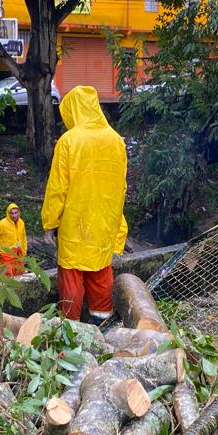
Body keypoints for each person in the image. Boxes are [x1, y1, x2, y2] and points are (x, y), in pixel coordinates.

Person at [41, 85, 128, 323]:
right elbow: (121, 188)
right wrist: (119, 226)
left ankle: (70, 327)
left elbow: (57, 188)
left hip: (75, 223)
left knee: (71, 276)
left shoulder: (69, 141)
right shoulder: (116, 141)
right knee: (101, 272)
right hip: (105, 221)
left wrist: (50, 223)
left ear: (74, 110)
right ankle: (102, 323)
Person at [0, 202, 28, 278]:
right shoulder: (2, 224)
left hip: (18, 253)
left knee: (19, 274)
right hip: (5, 254)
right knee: (6, 275)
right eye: (12, 213)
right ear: (8, 213)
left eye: (16, 213)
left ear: (19, 213)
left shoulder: (21, 223)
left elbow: (23, 237)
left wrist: (24, 250)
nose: (14, 215)